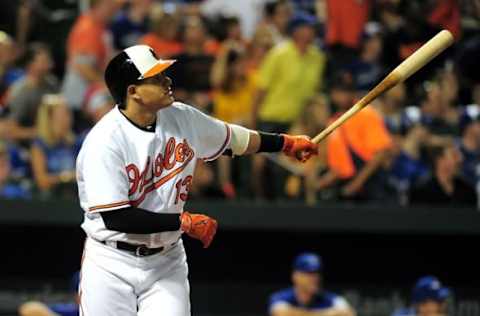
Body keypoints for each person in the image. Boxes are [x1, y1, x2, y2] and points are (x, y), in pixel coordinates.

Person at [76, 44, 318, 315]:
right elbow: (117, 218)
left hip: (165, 260)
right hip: (111, 261)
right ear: (133, 92)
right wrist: (183, 221)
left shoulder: (181, 116)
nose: (167, 81)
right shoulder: (104, 141)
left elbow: (235, 139)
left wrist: (284, 143)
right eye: (156, 78)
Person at [268, 252, 356, 316]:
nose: (315, 278)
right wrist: (328, 314)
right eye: (309, 274)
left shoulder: (332, 299)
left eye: (316, 273)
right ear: (295, 276)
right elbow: (281, 313)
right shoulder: (280, 297)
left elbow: (349, 313)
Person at [30, 94, 79, 197]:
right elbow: (41, 180)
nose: (68, 119)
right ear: (50, 118)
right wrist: (65, 177)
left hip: (73, 194)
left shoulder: (73, 143)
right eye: (63, 115)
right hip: (49, 198)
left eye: (68, 114)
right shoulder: (39, 145)